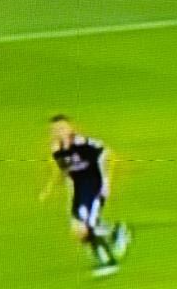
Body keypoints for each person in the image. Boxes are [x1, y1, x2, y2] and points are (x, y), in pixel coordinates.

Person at [40, 115, 130, 276]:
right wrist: (49, 188)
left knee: (87, 228)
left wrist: (107, 182)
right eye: (55, 129)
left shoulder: (84, 143)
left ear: (70, 128)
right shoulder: (57, 149)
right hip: (79, 191)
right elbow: (61, 170)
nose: (59, 131)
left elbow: (110, 156)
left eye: (62, 128)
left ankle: (109, 262)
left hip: (94, 188)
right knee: (78, 232)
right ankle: (115, 231)